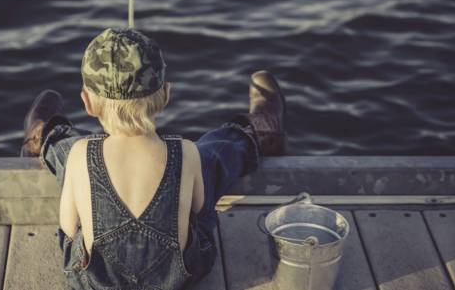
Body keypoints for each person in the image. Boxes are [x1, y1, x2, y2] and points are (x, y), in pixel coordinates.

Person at [20, 27, 286, 289]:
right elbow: (198, 209)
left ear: (87, 102)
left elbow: (68, 228)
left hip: (96, 281)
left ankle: (46, 135)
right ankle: (256, 131)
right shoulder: (186, 151)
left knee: (71, 151)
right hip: (179, 277)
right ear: (166, 94)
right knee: (208, 155)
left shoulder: (80, 154)